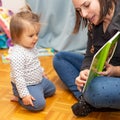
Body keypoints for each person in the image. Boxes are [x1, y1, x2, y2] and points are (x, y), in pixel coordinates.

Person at [53, 0, 120, 117]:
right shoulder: (94, 21)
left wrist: (115, 70)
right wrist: (84, 71)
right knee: (60, 58)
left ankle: (90, 99)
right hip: (103, 71)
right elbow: (90, 54)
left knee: (98, 89)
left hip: (115, 73)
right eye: (79, 10)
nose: (83, 14)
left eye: (87, 5)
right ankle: (88, 100)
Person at [9, 10, 56, 112]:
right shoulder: (17, 55)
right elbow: (18, 78)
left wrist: (41, 72)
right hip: (25, 85)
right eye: (31, 36)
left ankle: (37, 92)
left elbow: (35, 62)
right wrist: (24, 95)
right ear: (17, 36)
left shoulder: (31, 46)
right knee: (39, 105)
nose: (36, 38)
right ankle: (19, 97)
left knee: (52, 89)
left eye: (37, 34)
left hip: (37, 80)